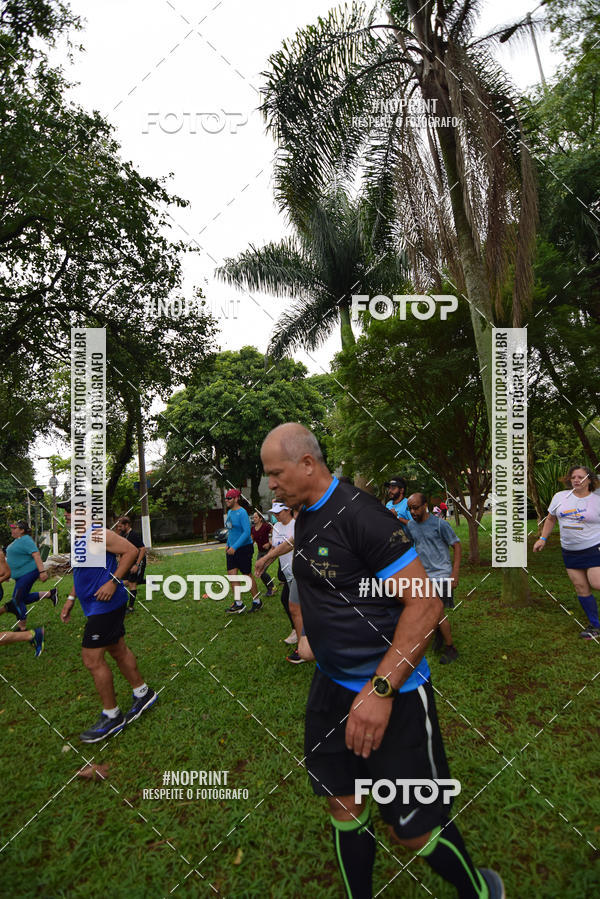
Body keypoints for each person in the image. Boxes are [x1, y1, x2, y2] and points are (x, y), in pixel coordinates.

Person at [260, 422, 504, 899]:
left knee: (412, 829)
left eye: (275, 472)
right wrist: (313, 636)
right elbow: (324, 583)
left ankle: (480, 890)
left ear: (307, 464)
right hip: (330, 686)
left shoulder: (364, 516)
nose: (270, 483)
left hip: (394, 694)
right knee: (344, 807)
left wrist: (381, 689)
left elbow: (427, 605)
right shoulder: (306, 512)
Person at [57, 499, 157, 742]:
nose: (68, 516)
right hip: (93, 605)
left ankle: (112, 716)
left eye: (73, 511)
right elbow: (81, 571)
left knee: (92, 659)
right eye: (67, 512)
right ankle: (143, 693)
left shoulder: (98, 533)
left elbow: (131, 552)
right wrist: (71, 598)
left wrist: (113, 581)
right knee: (117, 649)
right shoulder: (80, 538)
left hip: (106, 605)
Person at [533, 465, 600, 639]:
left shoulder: (596, 500)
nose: (576, 480)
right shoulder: (560, 497)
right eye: (573, 477)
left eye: (580, 477)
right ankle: (595, 626)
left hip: (593, 548)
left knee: (596, 583)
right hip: (570, 551)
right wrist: (543, 539)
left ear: (589, 480)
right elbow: (550, 518)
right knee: (581, 587)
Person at [406, 493, 461, 664]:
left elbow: (457, 546)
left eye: (415, 507)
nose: (413, 511)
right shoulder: (411, 526)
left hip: (442, 575)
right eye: (410, 509)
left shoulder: (440, 524)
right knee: (430, 612)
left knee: (437, 612)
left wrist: (455, 574)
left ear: (425, 505)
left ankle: (451, 648)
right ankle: (439, 635)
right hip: (423, 576)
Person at [0, 521, 57, 628]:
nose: (12, 530)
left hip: (29, 573)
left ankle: (22, 627)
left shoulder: (26, 540)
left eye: (14, 528)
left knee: (17, 599)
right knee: (24, 598)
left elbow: (36, 554)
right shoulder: (17, 541)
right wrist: (7, 573)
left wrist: (42, 571)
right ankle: (50, 594)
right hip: (20, 575)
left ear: (21, 530)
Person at [224, 488, 260, 613]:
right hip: (231, 549)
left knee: (246, 575)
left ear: (236, 499)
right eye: (226, 498)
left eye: (229, 498)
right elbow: (231, 531)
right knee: (232, 576)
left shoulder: (242, 512)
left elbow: (246, 532)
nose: (227, 500)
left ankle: (257, 601)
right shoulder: (229, 513)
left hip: (244, 548)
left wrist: (235, 546)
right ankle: (239, 603)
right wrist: (228, 544)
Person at [115, 516, 147, 613]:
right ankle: (146, 581)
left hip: (137, 562)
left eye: (120, 526)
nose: (119, 528)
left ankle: (131, 607)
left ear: (127, 525)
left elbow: (142, 549)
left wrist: (137, 565)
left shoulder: (134, 535)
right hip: (127, 562)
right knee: (122, 582)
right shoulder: (123, 535)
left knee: (132, 583)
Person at [251, 511, 276, 597]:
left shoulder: (266, 526)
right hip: (260, 552)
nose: (254, 519)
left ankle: (272, 588)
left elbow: (275, 534)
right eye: (253, 517)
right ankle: (270, 588)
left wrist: (269, 543)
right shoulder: (253, 529)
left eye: (255, 517)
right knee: (258, 571)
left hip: (268, 552)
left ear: (260, 518)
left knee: (262, 571)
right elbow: (252, 540)